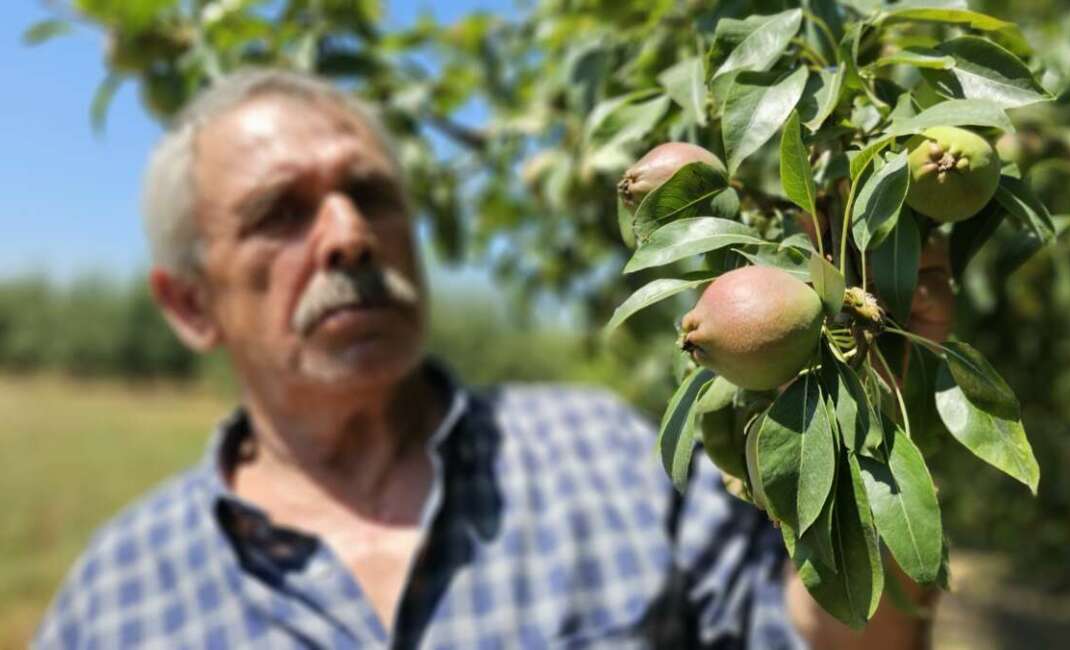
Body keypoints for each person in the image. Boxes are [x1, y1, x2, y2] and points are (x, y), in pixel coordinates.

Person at [34, 69, 937, 649]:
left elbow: (831, 634)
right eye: (281, 213)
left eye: (371, 194)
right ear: (190, 304)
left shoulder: (612, 454)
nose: (348, 234)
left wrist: (871, 422)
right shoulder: (112, 608)